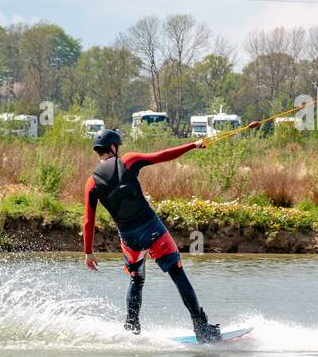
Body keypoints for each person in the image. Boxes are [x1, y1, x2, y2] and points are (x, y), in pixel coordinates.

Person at [81, 125, 253, 342]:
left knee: (136, 280)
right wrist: (193, 145)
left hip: (129, 238)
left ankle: (132, 330)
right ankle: (201, 328)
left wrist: (88, 252)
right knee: (177, 274)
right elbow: (162, 155)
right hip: (152, 229)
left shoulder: (91, 183)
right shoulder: (129, 160)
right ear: (113, 147)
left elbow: (88, 221)